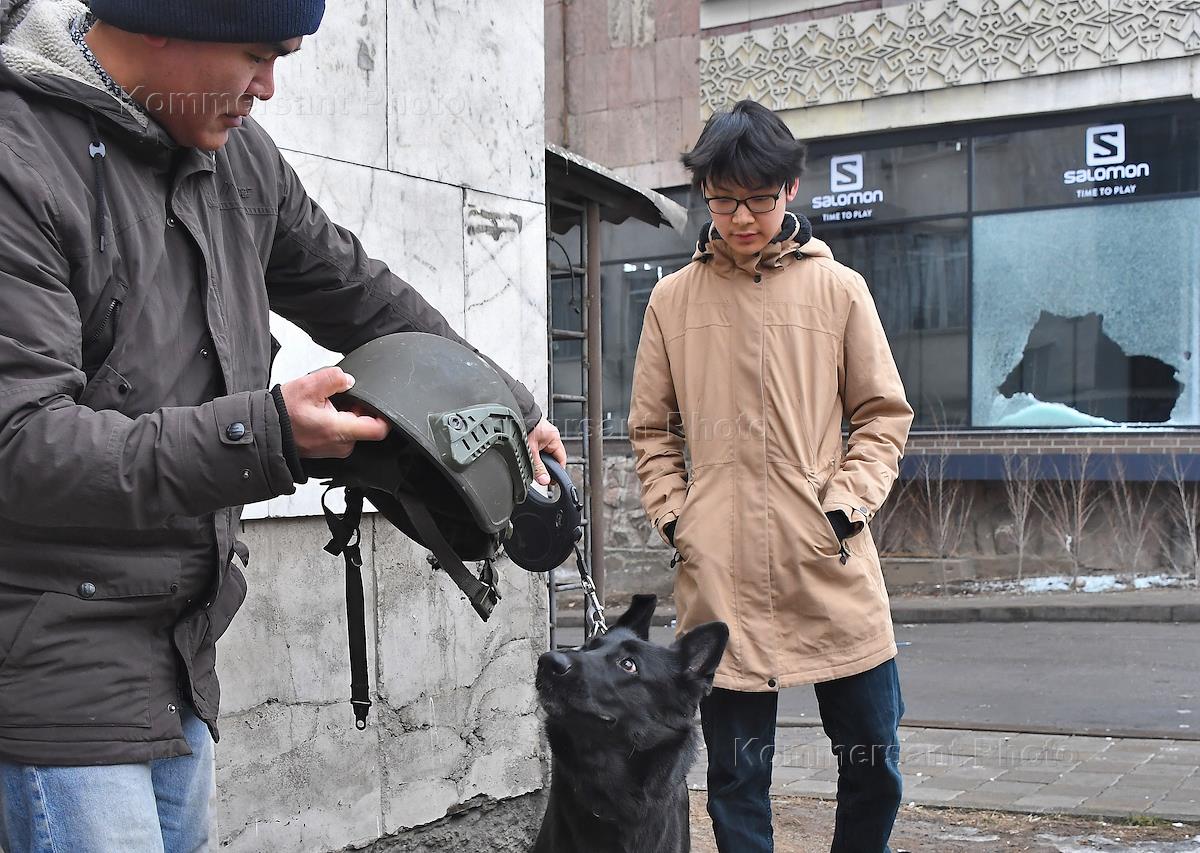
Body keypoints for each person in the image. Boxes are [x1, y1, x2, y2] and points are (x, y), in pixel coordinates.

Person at [0, 1, 564, 850]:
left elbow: (361, 294)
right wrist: (269, 435)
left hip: (181, 657)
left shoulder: (237, 159)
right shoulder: (20, 161)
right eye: (256, 55)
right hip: (56, 669)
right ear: (162, 20)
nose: (267, 88)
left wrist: (508, 409)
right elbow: (22, 445)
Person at [628, 98, 914, 853]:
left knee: (874, 764)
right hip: (719, 573)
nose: (741, 218)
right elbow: (652, 430)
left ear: (790, 188)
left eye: (757, 199)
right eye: (723, 201)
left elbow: (883, 414)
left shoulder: (840, 290)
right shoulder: (671, 301)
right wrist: (679, 519)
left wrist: (843, 506)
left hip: (827, 559)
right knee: (736, 783)